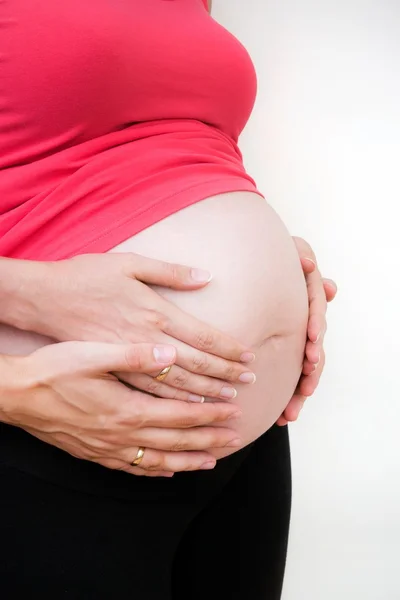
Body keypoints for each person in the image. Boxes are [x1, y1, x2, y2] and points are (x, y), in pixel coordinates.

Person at [0, 1, 337, 598]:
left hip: (238, 445)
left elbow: (147, 147)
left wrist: (268, 250)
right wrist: (21, 315)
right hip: (57, 419)